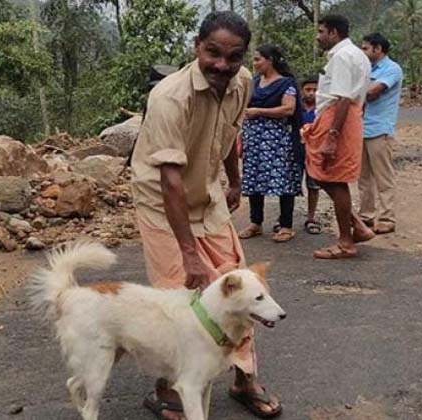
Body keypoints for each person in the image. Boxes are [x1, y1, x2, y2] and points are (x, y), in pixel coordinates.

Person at [130, 11, 282, 420]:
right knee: (178, 292)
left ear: (243, 57)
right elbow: (170, 183)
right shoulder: (169, 97)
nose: (221, 65)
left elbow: (230, 135)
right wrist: (190, 255)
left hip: (208, 195)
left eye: (232, 57)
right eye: (212, 53)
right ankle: (169, 386)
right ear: (198, 46)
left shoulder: (243, 81)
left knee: (238, 283)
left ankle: (243, 377)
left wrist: (233, 182)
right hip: (163, 202)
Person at [303, 14, 375, 259]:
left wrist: (332, 135)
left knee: (334, 177)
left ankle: (346, 242)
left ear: (334, 33)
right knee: (320, 172)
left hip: (338, 117)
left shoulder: (344, 56)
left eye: (321, 31)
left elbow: (344, 97)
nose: (318, 36)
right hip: (343, 116)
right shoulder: (357, 55)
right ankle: (357, 225)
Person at [238, 45, 303, 243]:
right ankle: (255, 222)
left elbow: (288, 109)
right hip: (255, 139)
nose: (255, 63)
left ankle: (286, 225)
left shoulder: (286, 84)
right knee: (254, 178)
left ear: (270, 60)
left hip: (277, 141)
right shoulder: (255, 82)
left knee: (283, 179)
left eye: (258, 59)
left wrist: (259, 112)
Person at [359, 32, 403, 234]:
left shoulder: (391, 69)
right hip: (361, 127)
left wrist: (354, 88)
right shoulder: (366, 69)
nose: (363, 51)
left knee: (383, 176)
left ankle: (387, 218)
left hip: (379, 128)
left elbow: (372, 92)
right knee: (363, 177)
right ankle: (366, 215)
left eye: (366, 48)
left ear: (378, 49)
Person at [300, 76, 323, 234]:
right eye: (308, 90)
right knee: (289, 184)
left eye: (315, 90)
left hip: (315, 151)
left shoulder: (323, 109)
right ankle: (283, 218)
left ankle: (311, 217)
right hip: (296, 150)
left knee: (313, 185)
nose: (312, 93)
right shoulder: (295, 108)